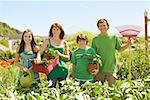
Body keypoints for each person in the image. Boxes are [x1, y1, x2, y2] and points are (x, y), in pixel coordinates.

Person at [92, 18, 132, 86]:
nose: (102, 27)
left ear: (107, 26)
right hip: (99, 71)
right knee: (98, 92)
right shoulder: (95, 39)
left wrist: (128, 45)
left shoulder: (113, 38)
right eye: (100, 26)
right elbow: (93, 55)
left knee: (112, 91)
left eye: (104, 25)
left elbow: (119, 49)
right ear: (98, 27)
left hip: (111, 70)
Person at [36, 22, 70, 88]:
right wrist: (38, 58)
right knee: (51, 91)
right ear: (51, 30)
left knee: (64, 92)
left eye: (57, 29)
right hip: (51, 70)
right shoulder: (47, 41)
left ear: (60, 31)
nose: (56, 31)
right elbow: (40, 52)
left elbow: (68, 58)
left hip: (62, 70)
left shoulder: (64, 42)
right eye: (54, 29)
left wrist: (60, 54)